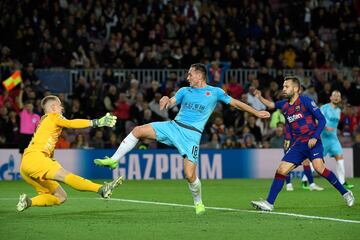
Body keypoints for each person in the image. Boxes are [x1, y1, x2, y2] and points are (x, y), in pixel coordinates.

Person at [94, 63, 270, 215]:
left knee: (189, 175)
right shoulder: (184, 90)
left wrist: (256, 112)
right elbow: (171, 101)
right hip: (174, 127)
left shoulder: (215, 92)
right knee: (138, 130)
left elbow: (236, 103)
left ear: (200, 75)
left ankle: (198, 202)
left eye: (190, 74)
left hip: (192, 136)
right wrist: (165, 100)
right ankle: (113, 160)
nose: (187, 77)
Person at [250, 76, 355, 211]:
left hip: (313, 142)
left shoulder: (305, 101)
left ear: (295, 88)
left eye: (286, 86)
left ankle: (346, 193)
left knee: (319, 169)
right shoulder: (285, 105)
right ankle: (269, 203)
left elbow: (322, 120)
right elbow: (270, 105)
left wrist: (315, 137)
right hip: (298, 145)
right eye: (283, 87)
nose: (284, 89)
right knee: (281, 170)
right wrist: (259, 97)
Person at [16, 95, 123, 212]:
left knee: (61, 197)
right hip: (36, 158)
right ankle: (101, 189)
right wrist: (96, 122)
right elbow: (71, 123)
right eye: (60, 105)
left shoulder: (44, 122)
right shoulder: (54, 116)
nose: (62, 108)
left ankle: (29, 201)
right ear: (53, 107)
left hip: (26, 165)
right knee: (64, 175)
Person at [320, 90, 354, 189]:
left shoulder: (339, 111)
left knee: (340, 158)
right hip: (323, 139)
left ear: (339, 99)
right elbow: (318, 119)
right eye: (334, 95)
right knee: (317, 161)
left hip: (334, 139)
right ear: (330, 97)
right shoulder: (324, 108)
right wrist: (325, 127)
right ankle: (305, 180)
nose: (336, 97)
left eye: (338, 96)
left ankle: (342, 181)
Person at [283, 122, 324, 192]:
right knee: (287, 163)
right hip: (289, 140)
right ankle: (288, 184)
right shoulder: (290, 115)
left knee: (306, 162)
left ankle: (311, 184)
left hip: (298, 139)